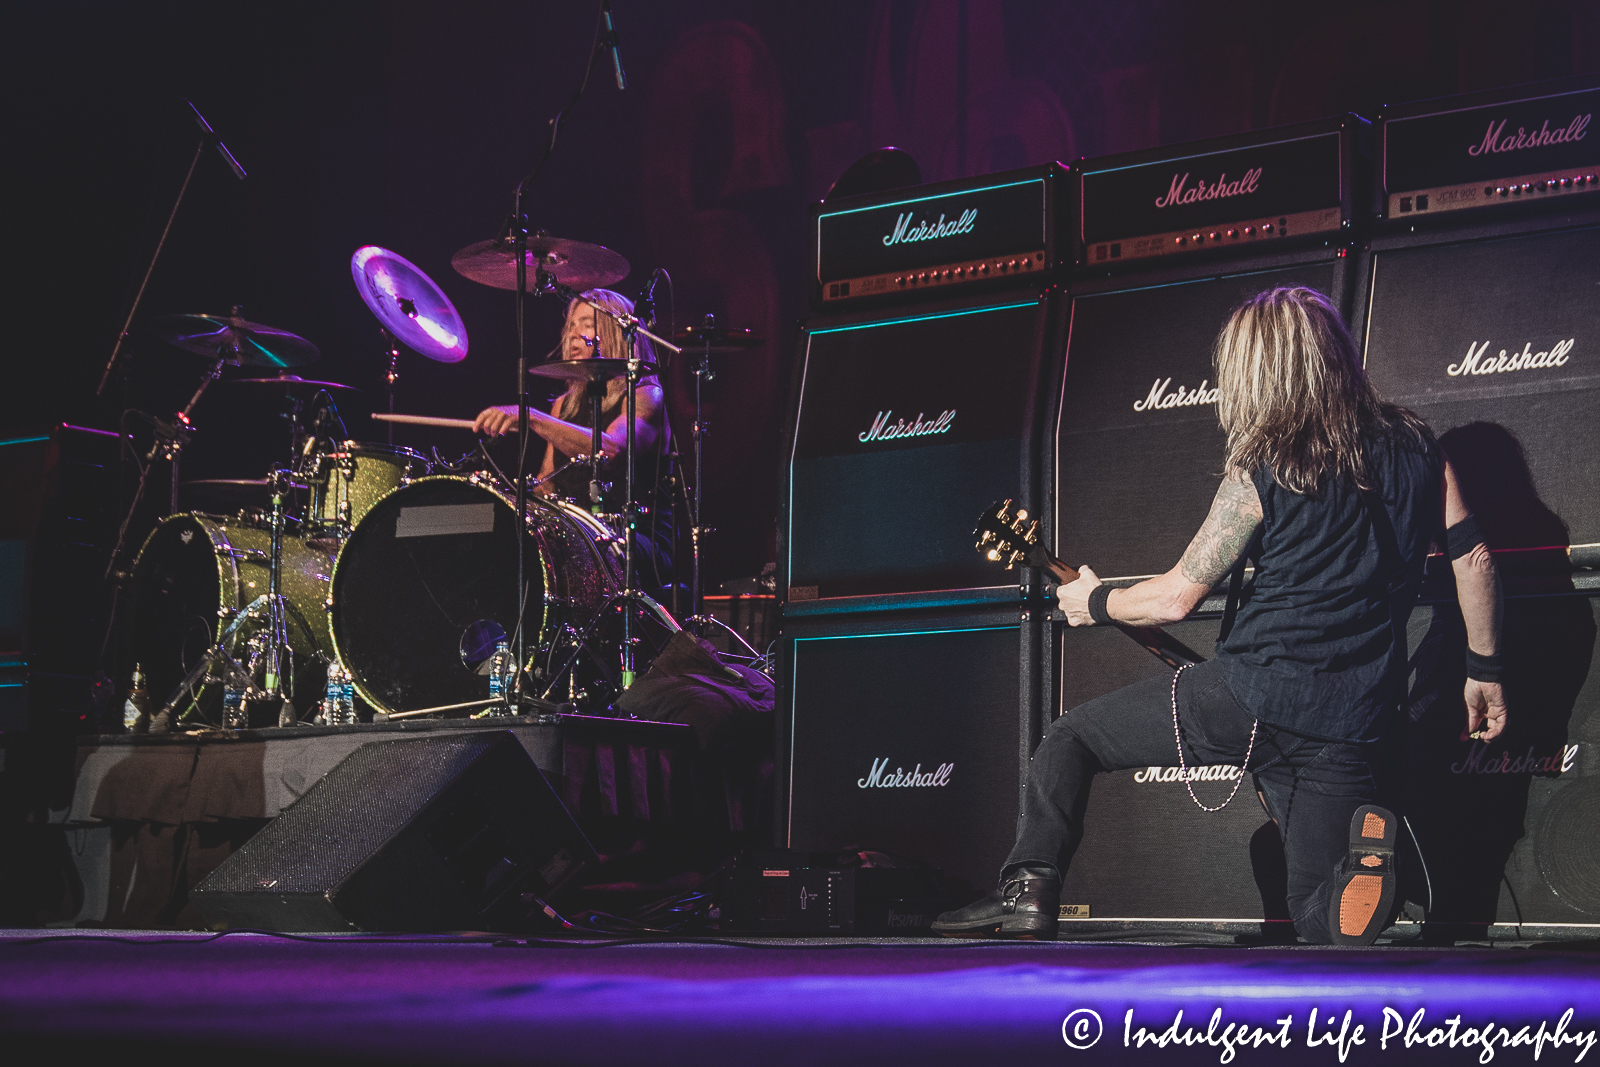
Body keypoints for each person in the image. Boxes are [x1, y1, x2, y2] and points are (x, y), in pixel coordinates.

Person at [932, 287, 1508, 945]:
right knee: (1317, 916)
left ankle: (1027, 888)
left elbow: (1179, 595)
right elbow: (1473, 559)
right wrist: (1482, 672)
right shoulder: (1419, 450)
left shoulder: (1265, 461)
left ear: (1258, 369)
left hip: (1250, 694)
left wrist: (1095, 601)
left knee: (1072, 739)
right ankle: (1368, 873)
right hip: (1353, 721)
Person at [474, 288, 675, 590]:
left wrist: (533, 418)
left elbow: (612, 449)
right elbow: (547, 485)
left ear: (616, 331)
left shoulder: (646, 395)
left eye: (586, 324)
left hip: (635, 542)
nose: (572, 334)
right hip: (578, 536)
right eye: (570, 325)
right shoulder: (563, 405)